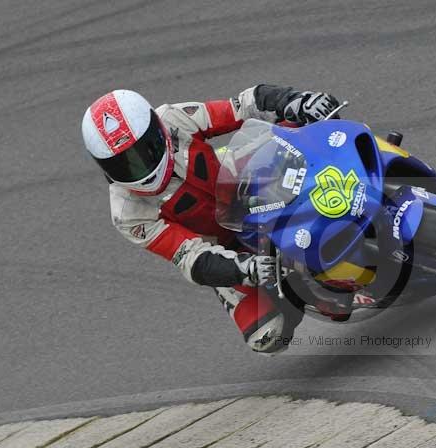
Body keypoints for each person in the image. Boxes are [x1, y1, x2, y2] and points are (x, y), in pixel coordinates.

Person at [81, 85, 339, 353]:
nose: (140, 168)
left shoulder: (173, 118)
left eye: (145, 150)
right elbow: (189, 256)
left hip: (239, 182)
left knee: (305, 117)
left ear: (157, 129)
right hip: (226, 248)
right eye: (123, 164)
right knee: (266, 333)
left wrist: (294, 102)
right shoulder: (127, 214)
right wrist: (244, 269)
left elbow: (242, 106)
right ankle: (287, 289)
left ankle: (375, 159)